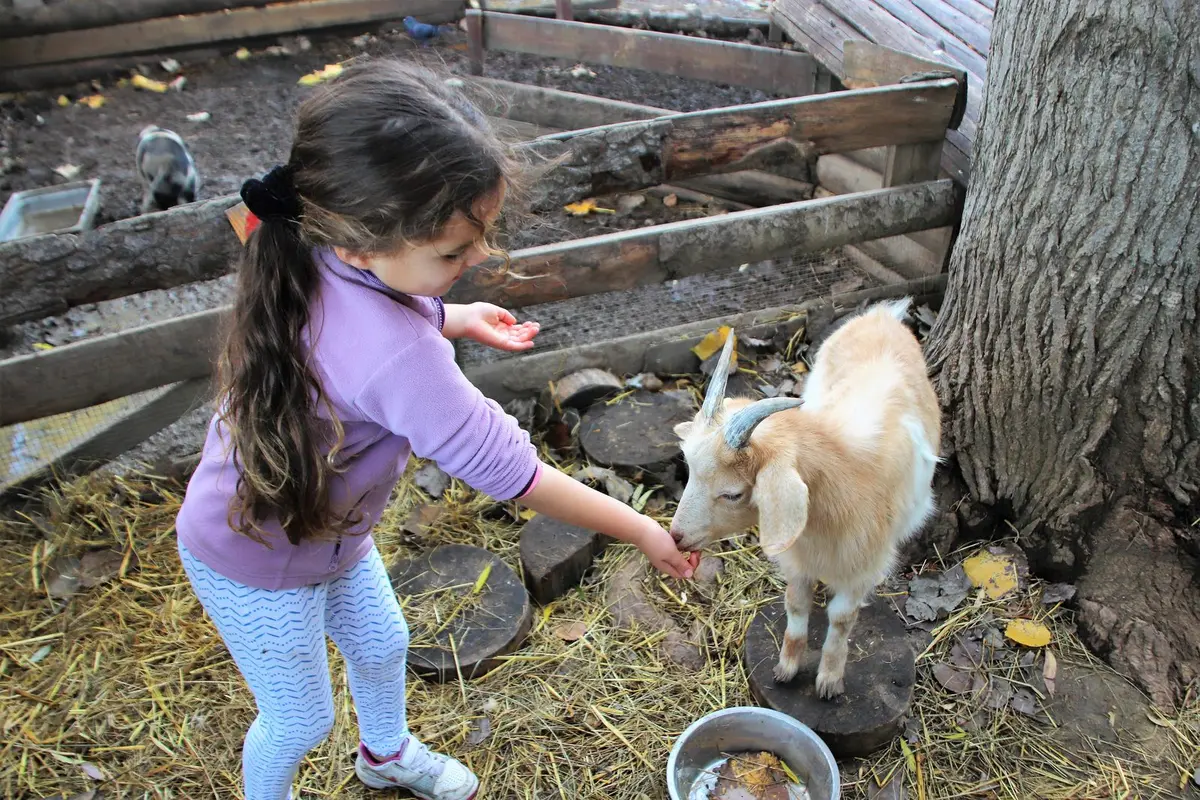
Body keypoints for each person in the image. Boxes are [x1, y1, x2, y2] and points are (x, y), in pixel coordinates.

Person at [174, 57, 698, 800]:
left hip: (321, 528)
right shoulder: (397, 355)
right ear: (361, 241)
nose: (479, 257)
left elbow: (357, 339)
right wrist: (641, 529)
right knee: (298, 722)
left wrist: (454, 314)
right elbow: (514, 473)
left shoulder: (315, 241)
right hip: (253, 559)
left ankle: (384, 755)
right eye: (455, 252)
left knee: (385, 644)